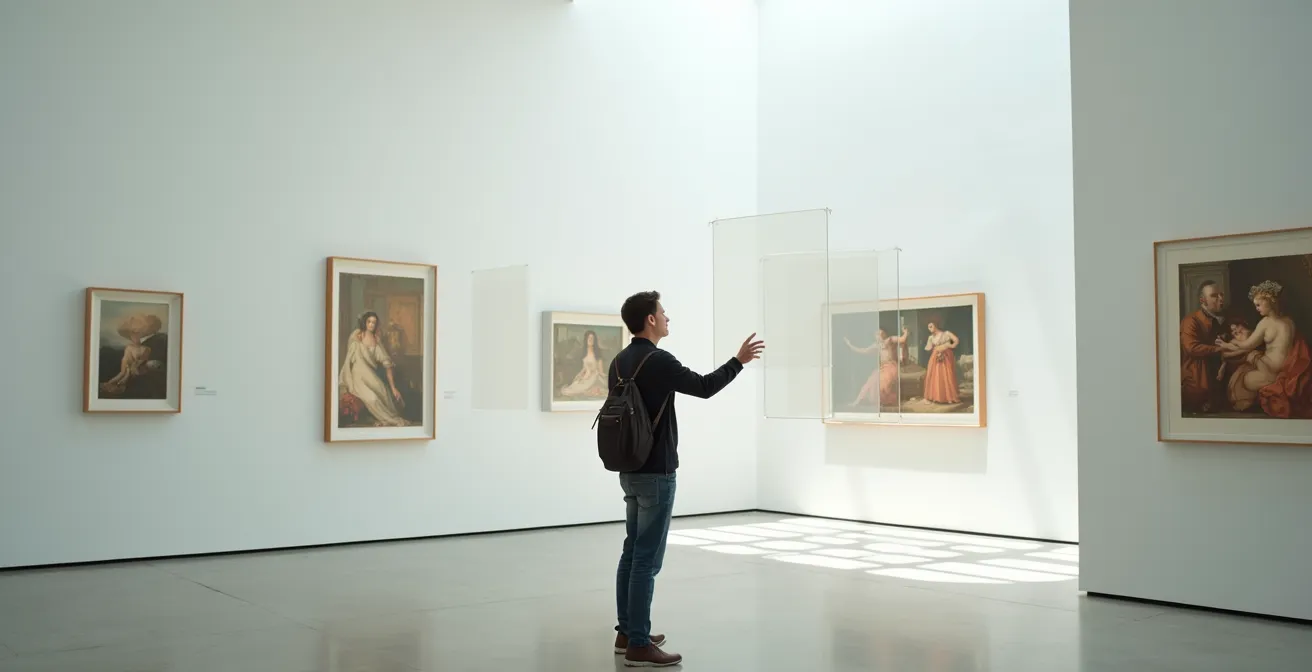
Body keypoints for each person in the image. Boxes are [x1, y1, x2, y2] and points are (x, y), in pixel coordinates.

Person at [609, 290, 763, 668]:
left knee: (632, 551)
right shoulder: (657, 360)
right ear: (649, 319)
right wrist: (738, 361)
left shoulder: (619, 361)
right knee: (647, 558)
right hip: (657, 471)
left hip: (628, 469)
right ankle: (639, 646)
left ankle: (627, 631)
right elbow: (705, 387)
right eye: (662, 312)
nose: (666, 318)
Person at [1214, 280, 1312, 418]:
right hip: (1283, 367)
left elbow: (1246, 345)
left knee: (1240, 379)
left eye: (1259, 304)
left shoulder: (1265, 323)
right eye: (1255, 305)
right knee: (1248, 358)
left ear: (1270, 301)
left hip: (1269, 368)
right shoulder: (1289, 321)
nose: (1257, 308)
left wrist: (1226, 345)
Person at [338, 311, 409, 427]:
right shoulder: (356, 336)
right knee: (373, 399)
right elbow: (349, 359)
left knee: (384, 392)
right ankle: (386, 418)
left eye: (374, 322)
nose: (371, 325)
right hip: (357, 377)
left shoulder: (376, 340)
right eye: (369, 322)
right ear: (365, 322)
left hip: (369, 375)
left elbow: (387, 363)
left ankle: (389, 417)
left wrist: (393, 387)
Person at [1180, 280, 1227, 413]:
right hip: (1198, 374)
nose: (1220, 298)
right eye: (1214, 295)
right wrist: (1219, 348)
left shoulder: (1225, 319)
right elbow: (1191, 348)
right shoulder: (1191, 321)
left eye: (1221, 294)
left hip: (1220, 371)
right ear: (1202, 300)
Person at [843, 325, 907, 408]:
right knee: (869, 383)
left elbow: (902, 339)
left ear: (884, 334)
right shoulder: (876, 346)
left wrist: (905, 332)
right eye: (877, 334)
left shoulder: (890, 340)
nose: (879, 335)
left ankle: (885, 401)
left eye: (881, 333)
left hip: (891, 367)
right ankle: (856, 402)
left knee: (884, 384)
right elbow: (863, 350)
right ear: (875, 336)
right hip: (882, 368)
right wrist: (849, 345)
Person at [921, 319, 961, 404]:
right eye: (928, 327)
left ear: (936, 325)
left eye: (931, 326)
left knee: (946, 374)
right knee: (935, 375)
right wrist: (934, 348)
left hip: (946, 355)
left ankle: (947, 397)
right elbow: (928, 348)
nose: (929, 328)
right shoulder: (931, 337)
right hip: (935, 356)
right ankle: (937, 396)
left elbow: (956, 340)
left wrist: (949, 345)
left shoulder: (946, 334)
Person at [559, 330, 608, 398]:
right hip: (585, 375)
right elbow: (584, 367)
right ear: (586, 339)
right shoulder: (583, 352)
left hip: (594, 376)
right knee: (574, 386)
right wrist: (581, 375)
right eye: (589, 338)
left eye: (592, 338)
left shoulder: (597, 353)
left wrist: (601, 375)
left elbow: (601, 371)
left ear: (594, 340)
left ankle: (590, 389)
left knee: (589, 388)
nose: (590, 340)